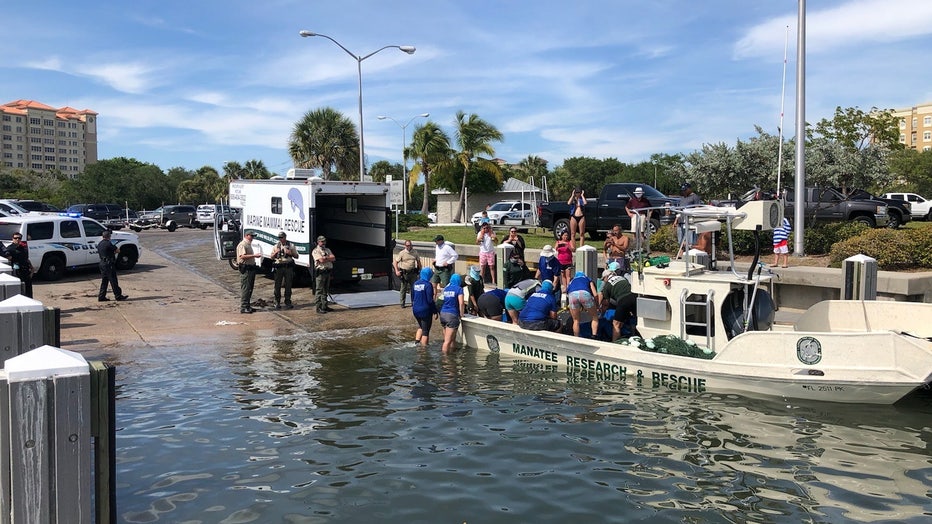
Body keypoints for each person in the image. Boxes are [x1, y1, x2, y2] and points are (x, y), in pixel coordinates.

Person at [600, 269, 637, 341]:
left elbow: (606, 304)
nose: (603, 281)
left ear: (606, 277)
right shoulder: (622, 278)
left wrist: (601, 314)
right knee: (634, 319)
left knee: (616, 324)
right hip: (634, 297)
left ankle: (615, 343)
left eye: (603, 279)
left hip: (623, 300)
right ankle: (634, 336)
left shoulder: (607, 285)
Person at [97, 229, 128, 303]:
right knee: (113, 280)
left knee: (104, 281)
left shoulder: (100, 244)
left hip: (102, 263)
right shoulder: (108, 243)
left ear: (103, 236)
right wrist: (112, 252)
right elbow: (118, 250)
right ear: (109, 237)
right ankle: (118, 296)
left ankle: (101, 296)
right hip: (108, 264)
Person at [566, 271, 600, 337]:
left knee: (575, 320)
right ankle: (594, 336)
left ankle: (576, 338)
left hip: (572, 295)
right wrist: (597, 305)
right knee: (594, 316)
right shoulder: (587, 279)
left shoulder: (571, 281)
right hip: (584, 293)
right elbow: (595, 294)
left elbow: (567, 293)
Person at [270, 231, 298, 309]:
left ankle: (288, 301)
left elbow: (296, 256)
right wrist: (276, 252)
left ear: (285, 237)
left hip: (288, 267)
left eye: (282, 237)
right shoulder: (276, 246)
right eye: (279, 238)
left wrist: (290, 253)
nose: (280, 239)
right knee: (277, 285)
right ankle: (277, 301)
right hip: (279, 267)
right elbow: (271, 257)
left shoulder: (291, 245)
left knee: (288, 285)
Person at [411, 267, 438, 347]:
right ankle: (423, 350)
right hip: (425, 310)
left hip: (416, 310)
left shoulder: (415, 284)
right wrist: (435, 311)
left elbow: (412, 298)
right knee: (426, 331)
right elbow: (430, 300)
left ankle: (416, 343)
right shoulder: (428, 285)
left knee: (421, 326)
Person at [674, 183, 701, 258]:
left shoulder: (694, 197)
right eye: (683, 191)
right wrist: (676, 219)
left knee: (689, 240)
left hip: (689, 221)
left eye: (685, 190)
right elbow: (680, 209)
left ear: (689, 189)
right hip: (681, 220)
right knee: (681, 239)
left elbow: (697, 208)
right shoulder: (682, 198)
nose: (684, 192)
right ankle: (681, 253)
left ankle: (688, 254)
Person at [439, 273, 465, 354]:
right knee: (447, 341)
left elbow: (443, 300)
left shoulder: (446, 289)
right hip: (452, 315)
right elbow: (461, 303)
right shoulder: (459, 289)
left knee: (451, 338)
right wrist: (461, 314)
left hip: (443, 314)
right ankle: (445, 360)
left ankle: (452, 353)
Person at [236, 231, 260, 313]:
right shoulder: (243, 244)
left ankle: (247, 306)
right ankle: (243, 307)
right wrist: (254, 256)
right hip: (245, 269)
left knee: (250, 288)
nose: (253, 238)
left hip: (250, 268)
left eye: (253, 236)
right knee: (246, 288)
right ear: (246, 236)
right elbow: (242, 256)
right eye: (251, 236)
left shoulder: (248, 244)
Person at [393, 239, 421, 308]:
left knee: (413, 288)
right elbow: (395, 262)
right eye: (407, 245)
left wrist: (420, 270)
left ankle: (413, 302)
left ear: (411, 245)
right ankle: (402, 303)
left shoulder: (415, 252)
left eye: (410, 245)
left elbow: (418, 262)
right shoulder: (402, 253)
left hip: (413, 273)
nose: (408, 247)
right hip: (404, 273)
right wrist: (397, 271)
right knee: (403, 288)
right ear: (405, 246)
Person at [5, 232, 34, 298]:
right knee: (20, 291)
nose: (17, 239)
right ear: (12, 239)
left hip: (26, 271)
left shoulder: (23, 248)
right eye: (15, 238)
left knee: (28, 291)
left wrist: (32, 269)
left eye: (19, 238)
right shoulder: (10, 249)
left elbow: (27, 259)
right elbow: (8, 261)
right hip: (17, 273)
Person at [312, 235, 336, 314]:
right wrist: (327, 258)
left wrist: (326, 258)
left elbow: (333, 258)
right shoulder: (316, 251)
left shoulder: (327, 250)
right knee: (319, 290)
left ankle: (324, 306)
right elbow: (321, 260)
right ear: (318, 242)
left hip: (327, 272)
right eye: (322, 241)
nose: (323, 243)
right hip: (321, 273)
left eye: (324, 241)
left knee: (326, 290)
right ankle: (318, 307)